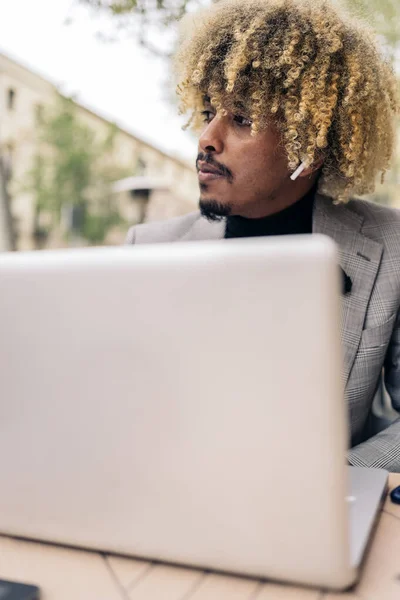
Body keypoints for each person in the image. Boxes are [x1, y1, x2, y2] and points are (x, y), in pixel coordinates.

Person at [126, 0, 400, 471]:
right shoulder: (147, 251)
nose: (207, 138)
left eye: (242, 119)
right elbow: (117, 403)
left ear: (308, 148)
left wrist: (333, 485)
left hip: (322, 518)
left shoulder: (391, 249)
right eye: (209, 110)